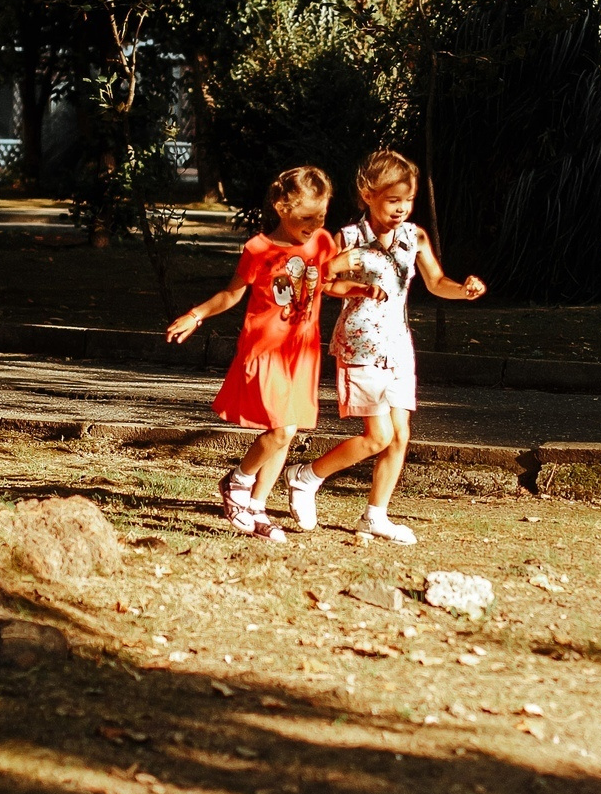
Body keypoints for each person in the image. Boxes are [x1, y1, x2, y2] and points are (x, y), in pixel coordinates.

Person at [286, 149, 484, 543]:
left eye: (407, 201)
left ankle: (375, 515)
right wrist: (349, 273)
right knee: (378, 437)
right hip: (359, 346)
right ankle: (306, 476)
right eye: (393, 200)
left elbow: (435, 282)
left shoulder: (415, 237)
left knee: (401, 435)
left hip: (399, 346)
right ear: (368, 194)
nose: (401, 209)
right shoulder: (349, 237)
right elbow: (319, 280)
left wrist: (464, 291)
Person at [164, 165, 365, 540]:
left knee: (286, 434)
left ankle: (256, 508)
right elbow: (232, 293)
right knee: (280, 428)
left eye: (321, 215)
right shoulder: (259, 249)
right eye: (306, 216)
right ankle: (237, 483)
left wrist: (357, 289)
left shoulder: (322, 242)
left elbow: (327, 286)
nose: (315, 223)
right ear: (281, 206)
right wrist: (197, 314)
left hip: (301, 352)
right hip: (266, 349)